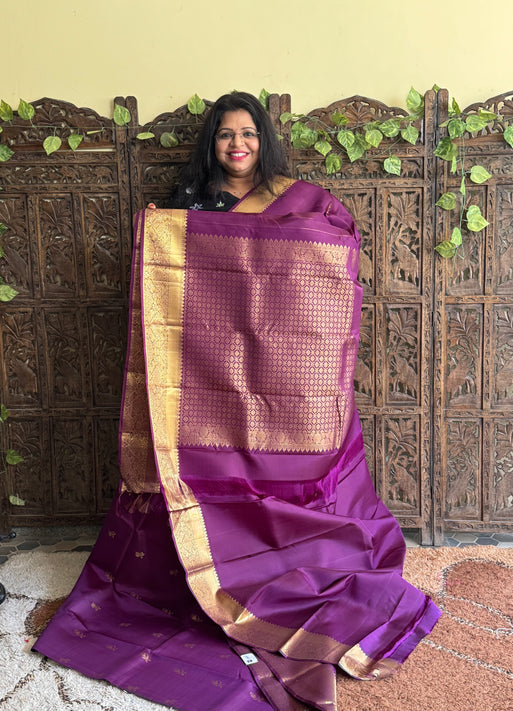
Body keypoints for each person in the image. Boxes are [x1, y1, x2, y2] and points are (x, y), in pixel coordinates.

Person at [34, 92, 440, 711]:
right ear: (213, 143)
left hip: (280, 374)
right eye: (226, 134)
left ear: (262, 139)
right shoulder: (191, 204)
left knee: (300, 476)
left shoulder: (300, 200)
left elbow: (331, 254)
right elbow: (173, 292)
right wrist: (159, 231)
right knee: (196, 475)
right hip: (209, 376)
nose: (237, 145)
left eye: (247, 133)